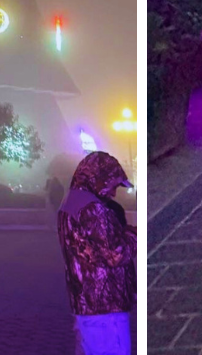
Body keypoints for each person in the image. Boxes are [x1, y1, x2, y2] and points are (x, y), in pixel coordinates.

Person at [57, 151, 136, 355]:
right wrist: (133, 234)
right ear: (100, 178)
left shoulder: (71, 201)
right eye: (113, 186)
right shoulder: (92, 208)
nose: (113, 193)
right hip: (106, 305)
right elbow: (115, 254)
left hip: (87, 303)